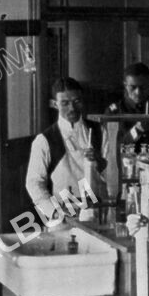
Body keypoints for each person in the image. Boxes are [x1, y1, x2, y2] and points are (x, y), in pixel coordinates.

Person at [26, 78, 108, 223]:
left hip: (98, 212)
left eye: (77, 102)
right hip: (64, 215)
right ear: (54, 104)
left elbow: (111, 175)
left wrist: (99, 162)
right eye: (65, 103)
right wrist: (55, 212)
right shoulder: (44, 140)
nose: (72, 108)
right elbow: (34, 183)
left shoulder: (99, 132)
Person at [107, 62, 149, 149]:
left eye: (143, 87)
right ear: (125, 85)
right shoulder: (115, 111)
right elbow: (113, 146)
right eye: (133, 87)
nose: (138, 92)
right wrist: (137, 130)